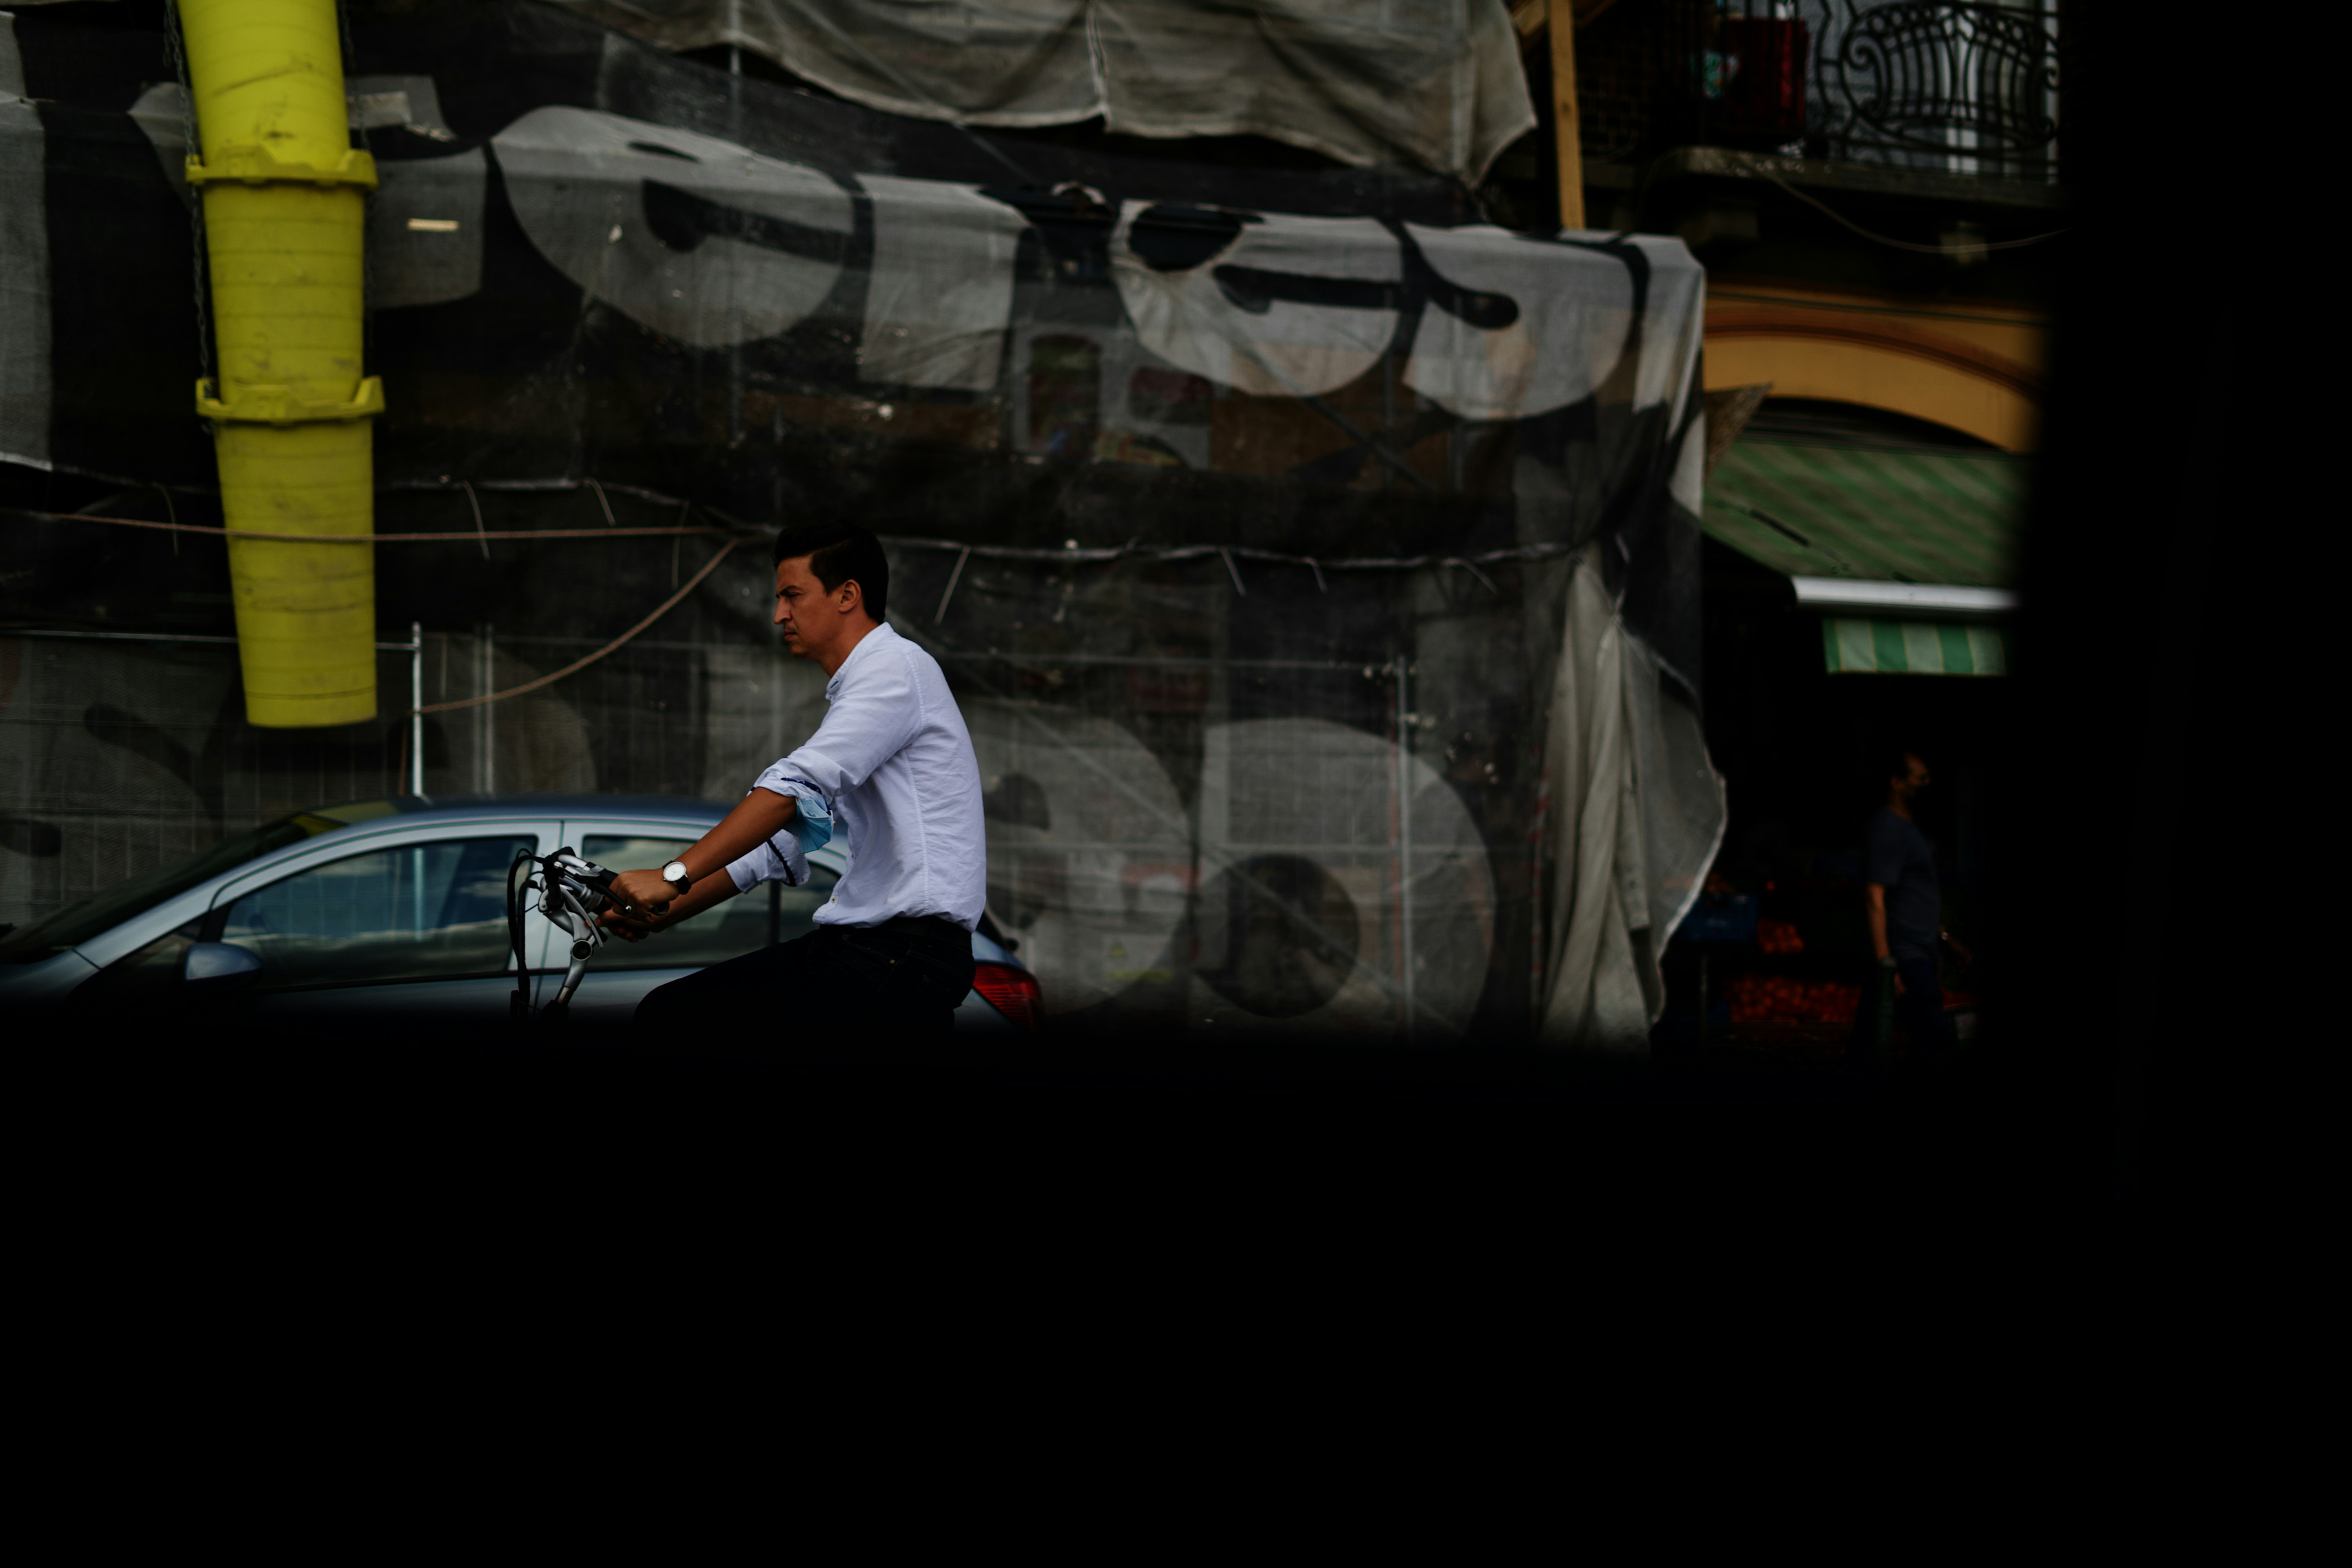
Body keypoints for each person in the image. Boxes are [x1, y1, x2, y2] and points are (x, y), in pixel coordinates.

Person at [597, 519, 987, 1036]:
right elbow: (783, 841)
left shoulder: (895, 671)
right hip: (876, 949)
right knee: (670, 1012)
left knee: (675, 1018)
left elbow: (793, 788)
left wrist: (671, 876)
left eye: (792, 596)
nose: (779, 614)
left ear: (847, 594)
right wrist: (668, 907)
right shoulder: (868, 687)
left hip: (903, 954)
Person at [1851, 748, 1970, 1064]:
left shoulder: (1906, 829)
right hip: (1906, 961)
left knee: (1868, 1053)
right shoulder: (1890, 829)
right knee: (1940, 1054)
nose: (1928, 784)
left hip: (1913, 955)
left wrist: (1945, 940)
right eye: (1921, 778)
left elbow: (1911, 898)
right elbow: (1875, 897)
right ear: (1898, 784)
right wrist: (1886, 966)